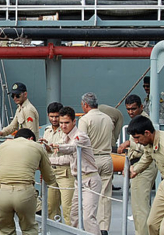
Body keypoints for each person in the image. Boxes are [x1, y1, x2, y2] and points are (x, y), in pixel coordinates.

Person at [0, 128, 57, 235]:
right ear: (31, 139)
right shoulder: (37, 146)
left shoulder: (3, 145)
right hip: (23, 193)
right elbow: (49, 178)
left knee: (5, 230)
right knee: (29, 229)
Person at [52, 106, 102, 235]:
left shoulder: (80, 136)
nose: (63, 126)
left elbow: (72, 148)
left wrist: (58, 147)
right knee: (73, 215)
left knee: (88, 218)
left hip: (89, 180)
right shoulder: (66, 137)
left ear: (74, 122)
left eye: (66, 123)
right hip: (78, 181)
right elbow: (67, 160)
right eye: (61, 123)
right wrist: (46, 161)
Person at [117, 94, 157, 235]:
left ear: (141, 107)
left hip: (142, 165)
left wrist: (129, 142)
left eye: (134, 108)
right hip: (138, 164)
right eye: (128, 109)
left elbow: (147, 147)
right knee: (143, 204)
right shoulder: (138, 121)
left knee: (140, 207)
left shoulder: (145, 122)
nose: (130, 112)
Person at [79, 92, 115, 235]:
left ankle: (90, 227)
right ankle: (104, 227)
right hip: (106, 157)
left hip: (90, 160)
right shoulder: (108, 119)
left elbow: (80, 141)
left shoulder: (85, 120)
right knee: (105, 195)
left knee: (89, 195)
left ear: (85, 105)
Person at [42, 101, 73, 225]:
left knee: (68, 208)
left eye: (57, 116)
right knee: (51, 207)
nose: (54, 119)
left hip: (65, 172)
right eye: (51, 116)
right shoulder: (47, 131)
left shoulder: (67, 131)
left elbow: (69, 151)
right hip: (51, 172)